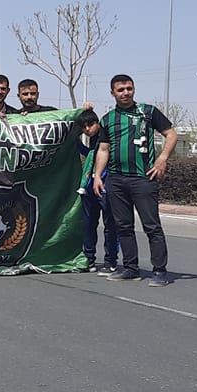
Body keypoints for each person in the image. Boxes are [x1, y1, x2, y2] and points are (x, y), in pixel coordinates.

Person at [92, 74, 178, 286]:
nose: (126, 93)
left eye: (129, 88)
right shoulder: (107, 119)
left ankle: (160, 271)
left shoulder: (148, 112)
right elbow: (103, 149)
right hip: (116, 180)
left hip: (143, 179)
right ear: (112, 93)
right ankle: (130, 268)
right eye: (120, 90)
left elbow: (171, 134)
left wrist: (162, 159)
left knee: (152, 226)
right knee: (123, 226)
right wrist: (97, 176)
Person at [76, 108, 119, 273]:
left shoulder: (106, 136)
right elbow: (90, 155)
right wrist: (78, 144)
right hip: (88, 186)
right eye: (84, 127)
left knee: (110, 225)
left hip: (106, 186)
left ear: (97, 123)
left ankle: (110, 261)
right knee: (88, 224)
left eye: (90, 125)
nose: (87, 129)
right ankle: (89, 259)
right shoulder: (92, 140)